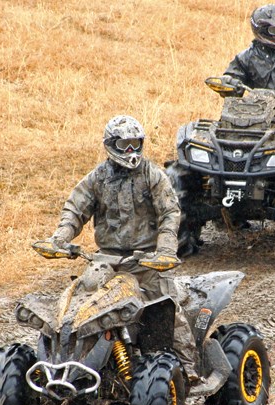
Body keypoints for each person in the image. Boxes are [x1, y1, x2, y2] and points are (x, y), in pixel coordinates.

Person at [48, 115, 198, 381]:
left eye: (135, 144)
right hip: (104, 260)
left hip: (148, 261)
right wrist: (61, 236)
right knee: (81, 309)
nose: (131, 151)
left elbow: (169, 214)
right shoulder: (98, 178)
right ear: (110, 145)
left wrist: (164, 251)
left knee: (168, 310)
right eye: (124, 144)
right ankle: (75, 368)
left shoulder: (153, 175)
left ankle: (188, 369)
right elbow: (75, 209)